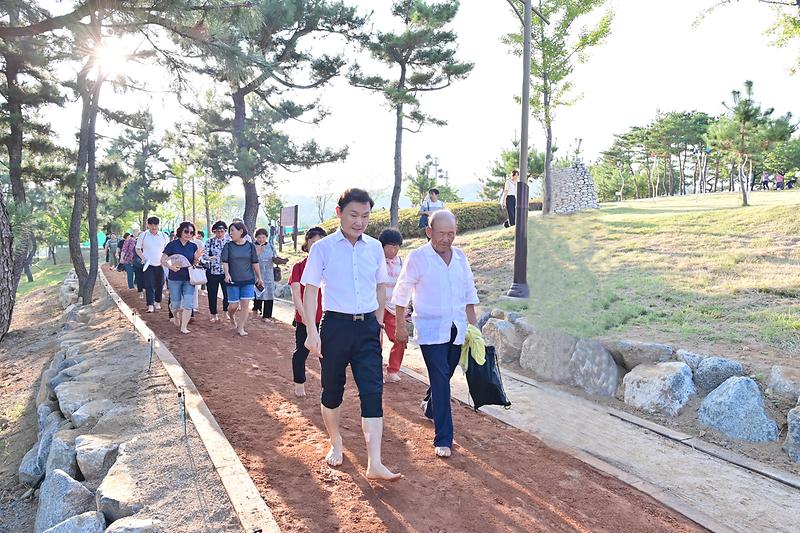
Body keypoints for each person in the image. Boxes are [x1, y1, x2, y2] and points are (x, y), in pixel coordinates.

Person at [302, 188, 401, 481]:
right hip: (335, 327)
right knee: (333, 390)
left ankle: (375, 462)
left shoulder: (373, 248)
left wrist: (380, 323)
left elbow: (380, 287)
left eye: (365, 216)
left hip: (367, 327)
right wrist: (311, 330)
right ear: (339, 213)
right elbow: (310, 291)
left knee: (373, 390)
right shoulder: (323, 248)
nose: (360, 222)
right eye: (354, 215)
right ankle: (336, 442)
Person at [393, 210, 480, 459]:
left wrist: (474, 329)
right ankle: (444, 437)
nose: (446, 238)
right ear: (429, 232)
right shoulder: (418, 258)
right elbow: (402, 292)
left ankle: (430, 406)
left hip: (457, 328)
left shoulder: (461, 257)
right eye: (441, 233)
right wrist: (400, 325)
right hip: (431, 330)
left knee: (447, 373)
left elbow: (469, 293)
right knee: (441, 380)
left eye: (451, 233)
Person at [289, 226, 327, 397]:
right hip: (304, 319)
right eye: (313, 242)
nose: (316, 246)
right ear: (307, 244)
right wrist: (305, 316)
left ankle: (327, 387)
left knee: (326, 355)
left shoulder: (331, 266)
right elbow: (296, 293)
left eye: (320, 243)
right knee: (301, 352)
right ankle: (299, 384)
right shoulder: (299, 267)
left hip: (327, 318)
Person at [222, 221, 263, 336]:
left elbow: (255, 262)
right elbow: (224, 262)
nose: (230, 233)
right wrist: (227, 274)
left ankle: (241, 328)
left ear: (241, 231)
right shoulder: (228, 246)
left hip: (248, 280)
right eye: (230, 231)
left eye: (232, 231)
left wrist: (259, 277)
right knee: (233, 305)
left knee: (245, 304)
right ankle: (231, 315)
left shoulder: (250, 246)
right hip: (233, 280)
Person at [161, 221, 203, 334]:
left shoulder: (193, 246)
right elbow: (163, 260)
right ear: (180, 231)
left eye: (191, 232)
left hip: (189, 279)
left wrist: (197, 259)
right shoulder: (172, 245)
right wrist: (171, 267)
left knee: (188, 304)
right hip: (174, 278)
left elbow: (194, 264)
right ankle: (174, 314)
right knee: (175, 304)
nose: (188, 234)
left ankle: (184, 327)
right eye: (186, 231)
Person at [378, 228, 407, 383]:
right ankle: (376, 370)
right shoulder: (376, 260)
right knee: (376, 341)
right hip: (376, 306)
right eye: (391, 246)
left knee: (399, 338)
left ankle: (393, 369)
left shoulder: (401, 262)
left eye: (397, 246)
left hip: (394, 307)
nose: (394, 250)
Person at [253, 228, 288, 321]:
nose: (261, 239)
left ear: (266, 237)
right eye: (259, 237)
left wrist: (281, 260)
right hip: (256, 273)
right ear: (255, 237)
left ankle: (267, 315)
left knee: (269, 293)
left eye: (263, 237)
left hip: (269, 273)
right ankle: (256, 309)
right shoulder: (252, 246)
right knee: (258, 292)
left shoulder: (270, 246)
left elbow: (275, 257)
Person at [136, 217, 169, 313]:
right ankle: (150, 304)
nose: (153, 227)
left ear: (158, 225)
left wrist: (165, 261)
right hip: (148, 264)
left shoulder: (164, 236)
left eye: (155, 225)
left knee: (160, 284)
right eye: (151, 225)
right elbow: (138, 249)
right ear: (148, 225)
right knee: (149, 284)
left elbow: (168, 250)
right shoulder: (143, 235)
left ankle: (157, 302)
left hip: (161, 264)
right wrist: (143, 258)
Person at [204, 221, 230, 322]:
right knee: (212, 293)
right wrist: (210, 258)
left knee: (227, 293)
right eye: (218, 231)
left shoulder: (228, 242)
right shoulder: (209, 242)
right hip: (212, 272)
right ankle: (213, 314)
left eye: (222, 231)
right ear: (214, 232)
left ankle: (225, 311)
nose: (220, 233)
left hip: (225, 272)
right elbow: (204, 255)